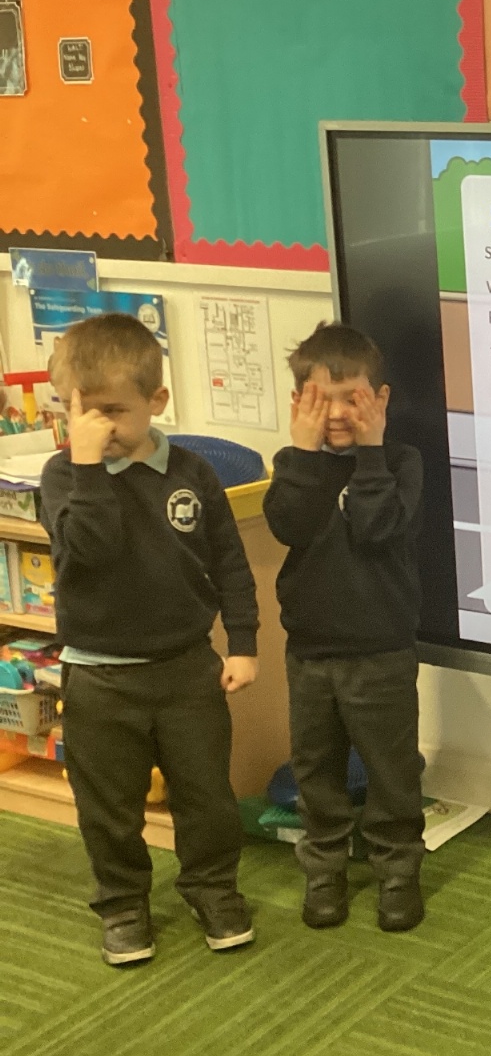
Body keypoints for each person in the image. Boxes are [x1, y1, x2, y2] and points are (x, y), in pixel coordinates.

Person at [40, 313, 259, 966]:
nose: (95, 426)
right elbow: (90, 550)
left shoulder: (192, 473)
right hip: (99, 677)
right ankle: (122, 905)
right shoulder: (63, 476)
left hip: (186, 668)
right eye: (78, 410)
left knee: (206, 797)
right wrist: (87, 467)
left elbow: (229, 564)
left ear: (156, 401)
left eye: (112, 411)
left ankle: (212, 889)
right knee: (108, 808)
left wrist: (243, 643)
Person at [263, 323, 426, 932]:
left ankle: (398, 871)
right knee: (316, 772)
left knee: (391, 771)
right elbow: (291, 526)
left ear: (379, 400)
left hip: (381, 651)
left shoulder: (402, 462)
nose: (335, 413)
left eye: (351, 398)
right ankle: (324, 870)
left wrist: (371, 452)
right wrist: (304, 455)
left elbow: (378, 528)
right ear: (297, 403)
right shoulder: (293, 465)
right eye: (319, 399)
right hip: (310, 653)